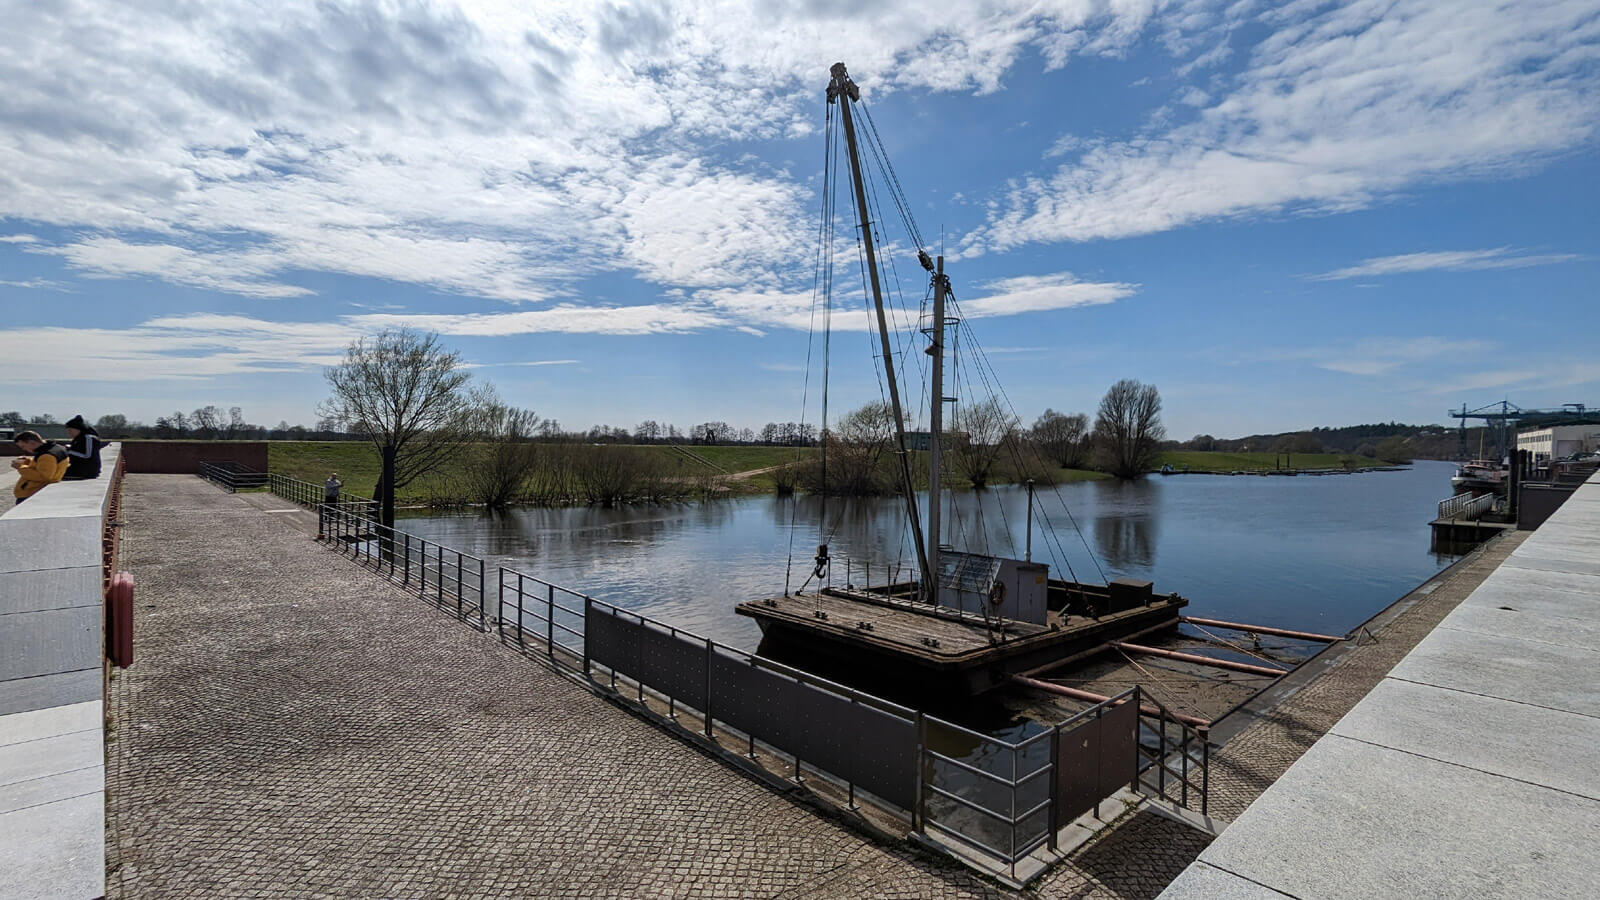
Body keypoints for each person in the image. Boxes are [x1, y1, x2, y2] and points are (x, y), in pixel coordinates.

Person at [11, 431, 71, 503]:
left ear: (32, 442)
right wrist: (28, 461)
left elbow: (44, 477)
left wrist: (21, 467)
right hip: (40, 492)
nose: (23, 449)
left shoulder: (47, 455)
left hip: (33, 493)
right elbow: (45, 465)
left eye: (23, 446)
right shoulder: (55, 449)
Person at [62, 415, 103, 480]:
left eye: (70, 430)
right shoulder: (78, 439)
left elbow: (88, 455)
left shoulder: (89, 438)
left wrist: (68, 451)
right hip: (79, 468)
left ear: (78, 429)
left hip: (87, 471)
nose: (69, 433)